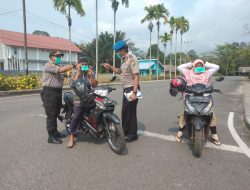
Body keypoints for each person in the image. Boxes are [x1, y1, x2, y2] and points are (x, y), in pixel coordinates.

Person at [175, 59, 221, 146]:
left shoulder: (207, 72)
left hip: (205, 97)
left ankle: (214, 135)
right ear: (194, 66)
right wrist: (190, 64)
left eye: (201, 66)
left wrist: (207, 64)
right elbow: (179, 67)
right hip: (190, 96)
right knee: (184, 114)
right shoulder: (187, 72)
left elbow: (216, 67)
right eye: (197, 65)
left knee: (212, 115)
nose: (199, 67)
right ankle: (179, 133)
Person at [103, 40, 140, 143]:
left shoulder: (132, 59)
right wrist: (110, 67)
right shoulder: (124, 60)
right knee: (125, 111)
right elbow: (120, 71)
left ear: (124, 49)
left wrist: (134, 93)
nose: (117, 53)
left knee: (130, 112)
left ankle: (132, 135)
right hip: (126, 88)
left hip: (131, 88)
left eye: (118, 51)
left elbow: (136, 77)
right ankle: (125, 131)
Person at [41, 50, 75, 144]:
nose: (59, 58)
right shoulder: (48, 65)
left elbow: (67, 74)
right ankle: (51, 136)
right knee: (51, 115)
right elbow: (61, 70)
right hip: (49, 92)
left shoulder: (58, 66)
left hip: (57, 92)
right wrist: (74, 65)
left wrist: (77, 72)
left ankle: (55, 132)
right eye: (57, 56)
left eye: (60, 56)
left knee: (56, 113)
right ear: (51, 57)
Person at [67, 58, 98, 148]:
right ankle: (72, 136)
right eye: (82, 64)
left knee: (99, 109)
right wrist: (78, 72)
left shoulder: (90, 73)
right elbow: (72, 84)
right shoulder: (75, 73)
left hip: (90, 96)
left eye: (85, 64)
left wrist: (91, 76)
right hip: (78, 98)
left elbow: (95, 85)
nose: (84, 66)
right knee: (76, 115)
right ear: (78, 65)